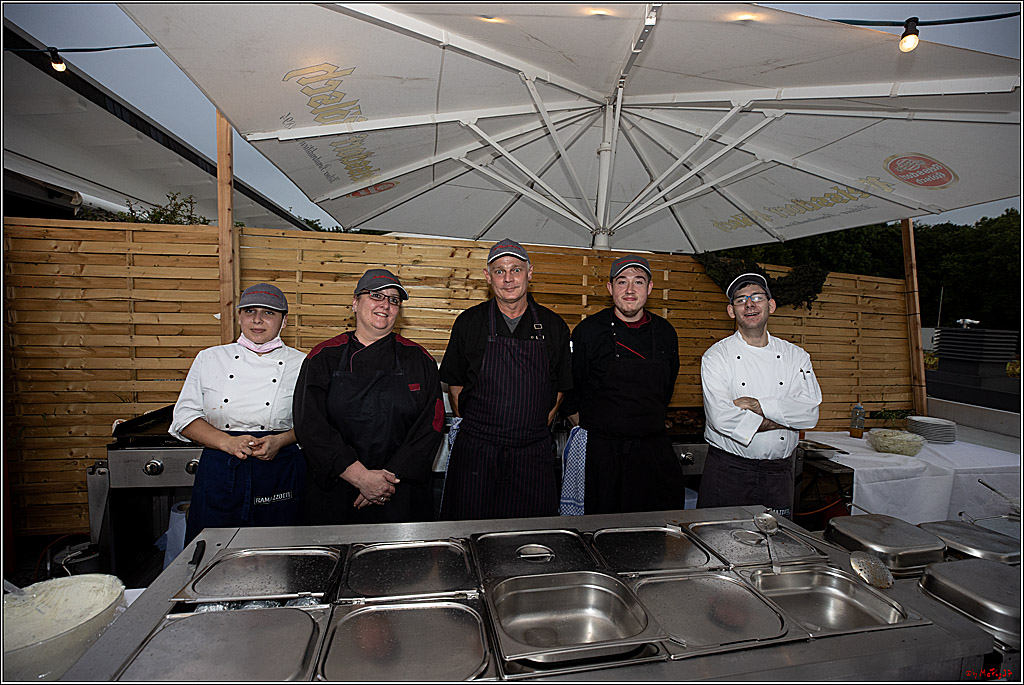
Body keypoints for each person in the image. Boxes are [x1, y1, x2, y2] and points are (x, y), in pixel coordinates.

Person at [292, 268, 444, 524]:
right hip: (337, 489)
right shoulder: (323, 356)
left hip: (400, 490)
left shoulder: (419, 359)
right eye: (376, 295)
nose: (385, 304)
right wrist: (360, 477)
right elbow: (309, 423)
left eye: (394, 300)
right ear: (355, 302)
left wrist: (387, 480)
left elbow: (432, 424)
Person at [440, 238, 572, 520]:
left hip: (532, 456)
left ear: (530, 273)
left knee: (530, 537)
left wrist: (533, 429)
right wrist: (482, 431)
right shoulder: (469, 323)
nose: (508, 278)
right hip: (477, 454)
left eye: (516, 270)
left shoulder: (554, 326)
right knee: (469, 531)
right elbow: (455, 383)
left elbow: (560, 387)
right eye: (499, 271)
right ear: (488, 277)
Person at [170, 283, 307, 545]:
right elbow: (185, 417)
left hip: (278, 468)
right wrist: (228, 442)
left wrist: (280, 441)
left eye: (269, 313)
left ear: (284, 321)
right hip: (221, 468)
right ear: (240, 317)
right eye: (250, 311)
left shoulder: (302, 363)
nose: (257, 320)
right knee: (211, 549)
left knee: (277, 550)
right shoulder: (210, 358)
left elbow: (314, 423)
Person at [562, 255, 685, 514]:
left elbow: (667, 389)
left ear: (650, 288)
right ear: (610, 288)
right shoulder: (588, 332)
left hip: (652, 453)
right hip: (602, 457)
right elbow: (571, 392)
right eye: (622, 282)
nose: (630, 289)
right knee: (599, 530)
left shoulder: (666, 333)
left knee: (653, 530)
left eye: (638, 282)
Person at [697, 272, 822, 518]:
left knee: (777, 540)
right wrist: (785, 418)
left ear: (771, 305)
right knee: (716, 536)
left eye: (757, 297)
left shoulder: (796, 356)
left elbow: (809, 414)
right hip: (728, 471)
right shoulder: (716, 357)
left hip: (778, 473)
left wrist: (756, 405)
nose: (749, 304)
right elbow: (721, 419)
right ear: (731, 311)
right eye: (740, 300)